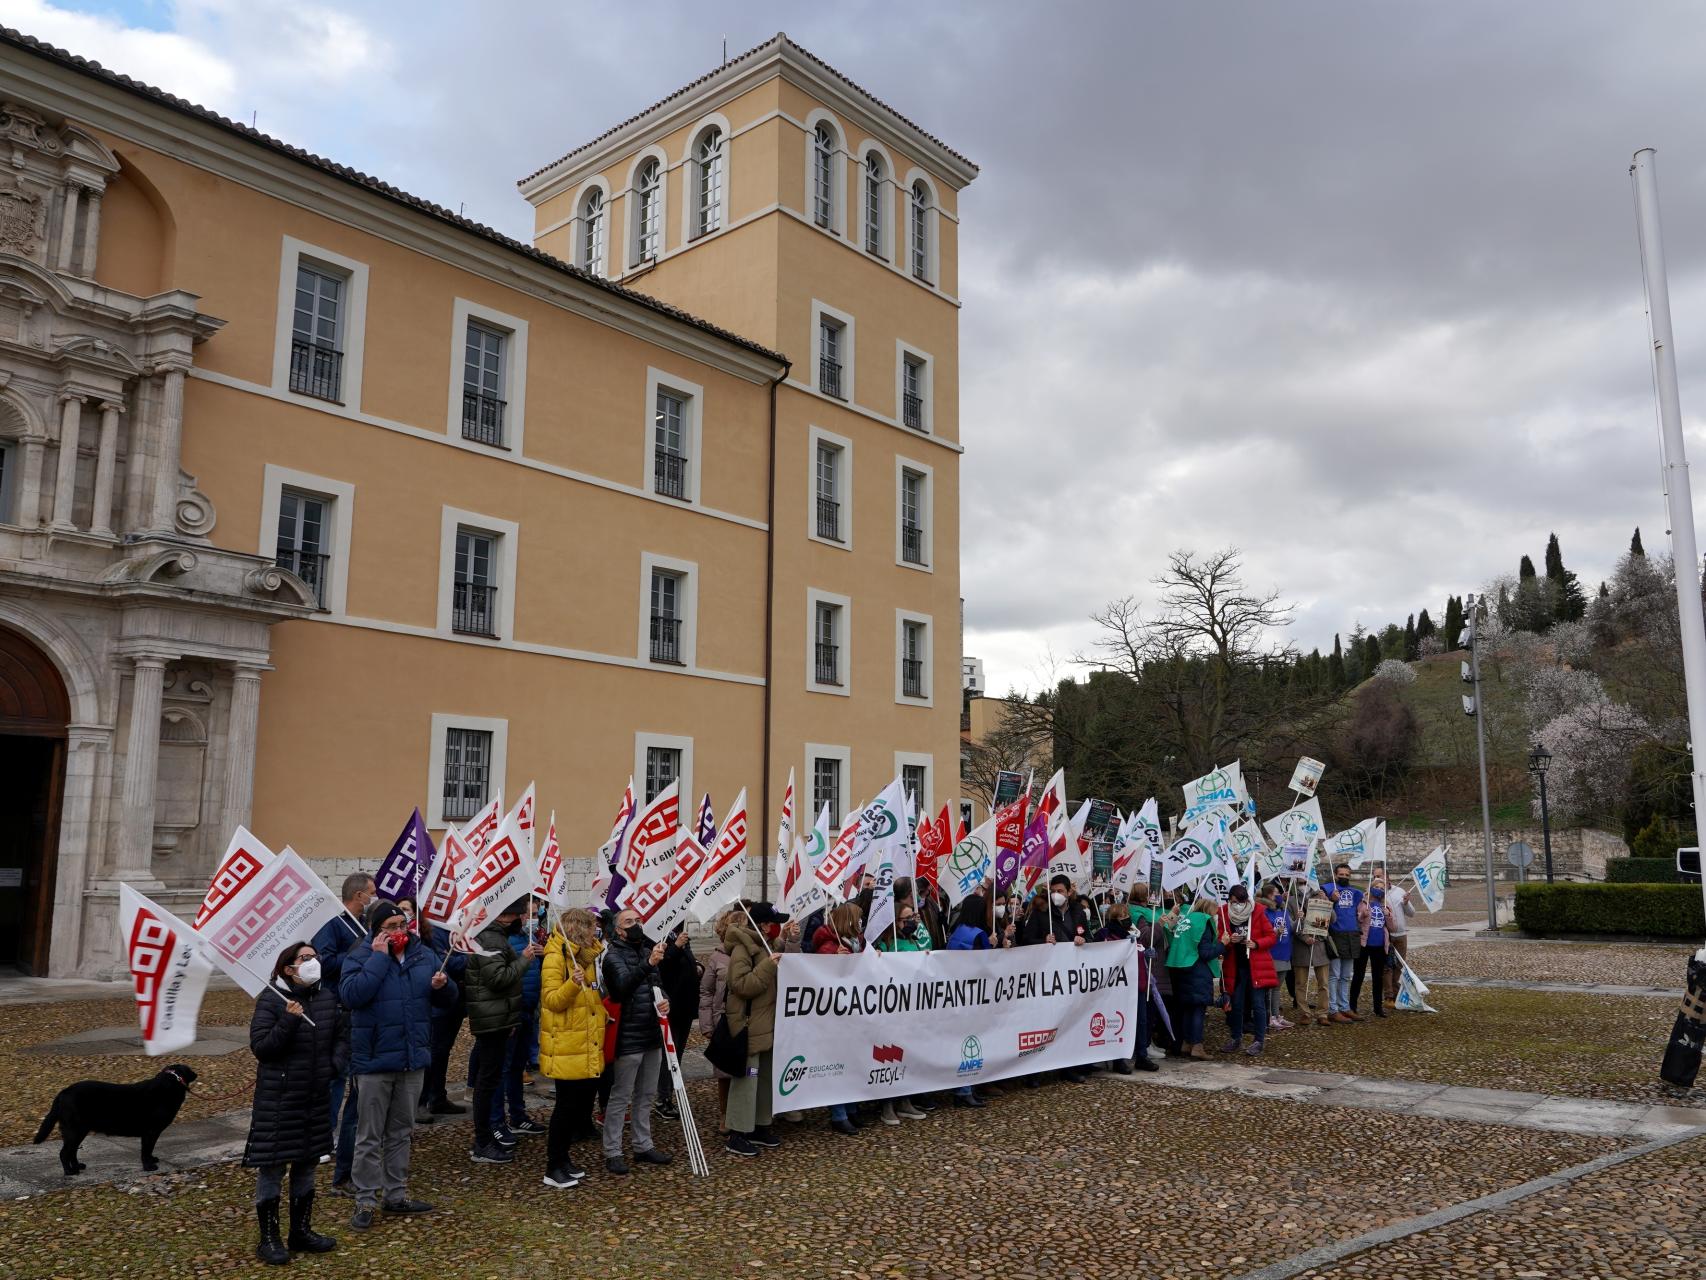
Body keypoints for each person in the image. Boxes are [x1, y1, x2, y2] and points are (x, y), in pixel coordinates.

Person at [338, 898, 456, 1230]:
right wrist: (378, 958)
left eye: (403, 925)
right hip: (374, 1059)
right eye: (391, 927)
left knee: (401, 1131)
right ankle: (365, 1198)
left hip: (411, 1057)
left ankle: (396, 1193)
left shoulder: (422, 955)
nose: (399, 931)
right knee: (369, 1134)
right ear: (375, 931)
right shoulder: (360, 956)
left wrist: (444, 987)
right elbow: (352, 996)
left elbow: (447, 1000)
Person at [243, 940, 346, 1265]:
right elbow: (262, 1048)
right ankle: (269, 1237)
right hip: (280, 1099)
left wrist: (333, 1066)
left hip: (314, 1097)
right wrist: (288, 1020)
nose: (313, 961)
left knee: (307, 1164)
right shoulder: (272, 1001)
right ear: (289, 968)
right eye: (305, 958)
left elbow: (343, 1036)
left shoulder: (327, 997)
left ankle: (301, 1230)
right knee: (273, 1167)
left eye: (315, 956)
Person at [465, 900, 542, 1164]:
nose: (525, 918)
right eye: (521, 914)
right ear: (508, 916)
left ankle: (487, 1136)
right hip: (492, 1019)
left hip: (500, 1017)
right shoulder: (491, 939)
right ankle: (483, 1140)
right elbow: (498, 979)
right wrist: (524, 960)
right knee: (488, 1082)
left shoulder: (495, 936)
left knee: (493, 1077)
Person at [600, 905, 674, 1175]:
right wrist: (648, 964)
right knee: (621, 1095)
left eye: (638, 920)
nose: (636, 925)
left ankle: (643, 1145)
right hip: (628, 1036)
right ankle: (613, 1150)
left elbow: (659, 986)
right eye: (629, 921)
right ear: (618, 929)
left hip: (652, 1033)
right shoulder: (612, 957)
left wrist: (667, 1002)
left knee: (646, 1094)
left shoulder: (646, 952)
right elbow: (621, 988)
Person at [313, 872, 373, 1196]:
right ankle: (325, 1135)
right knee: (337, 1077)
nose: (372, 897)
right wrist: (355, 953)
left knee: (348, 1078)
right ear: (357, 895)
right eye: (370, 893)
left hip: (356, 1008)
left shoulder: (365, 925)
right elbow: (322, 961)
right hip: (336, 1007)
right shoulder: (334, 924)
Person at [538, 908, 607, 1190]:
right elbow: (552, 1000)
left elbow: (591, 995)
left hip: (583, 1041)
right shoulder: (555, 957)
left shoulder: (582, 958)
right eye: (591, 928)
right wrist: (571, 984)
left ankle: (564, 1159)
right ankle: (553, 1166)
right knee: (565, 1107)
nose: (596, 933)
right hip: (566, 1043)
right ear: (579, 929)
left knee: (577, 1105)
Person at [724, 902, 786, 1156]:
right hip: (748, 1025)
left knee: (765, 1079)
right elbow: (741, 985)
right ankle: (737, 1132)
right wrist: (769, 965)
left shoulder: (763, 945)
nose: (775, 927)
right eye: (773, 923)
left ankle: (760, 1125)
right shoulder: (742, 948)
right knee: (747, 1080)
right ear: (762, 925)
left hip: (765, 1024)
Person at [411, 897, 468, 1120]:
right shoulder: (432, 930)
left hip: (454, 998)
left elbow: (456, 957)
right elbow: (447, 963)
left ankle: (438, 1096)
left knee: (444, 1051)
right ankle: (420, 1101)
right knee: (433, 1052)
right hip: (438, 1001)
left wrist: (462, 957)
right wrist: (468, 959)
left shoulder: (455, 927)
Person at [1216, 883, 1277, 1055]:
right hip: (1236, 966)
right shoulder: (1223, 913)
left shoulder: (1257, 911)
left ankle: (1259, 1041)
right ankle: (1236, 1038)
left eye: (1240, 902)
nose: (1237, 905)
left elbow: (1271, 936)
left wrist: (1256, 943)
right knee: (1236, 1004)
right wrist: (1227, 940)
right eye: (1234, 902)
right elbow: (1220, 936)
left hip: (1256, 966)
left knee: (1258, 1004)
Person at [947, 895, 992, 1104]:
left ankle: (966, 1088)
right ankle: (964, 1090)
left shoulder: (958, 930)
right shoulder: (978, 935)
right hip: (972, 994)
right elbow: (986, 963)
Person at [1166, 895, 1223, 1059]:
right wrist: (1222, 945)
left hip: (1182, 968)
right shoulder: (1204, 922)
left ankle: (1186, 1044)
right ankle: (1197, 1046)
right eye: (1214, 912)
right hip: (1198, 971)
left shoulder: (1188, 919)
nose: (1215, 916)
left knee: (1187, 1009)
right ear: (1209, 910)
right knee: (1198, 1009)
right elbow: (1206, 953)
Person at [654, 924, 700, 1120]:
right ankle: (662, 1098)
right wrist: (675, 947)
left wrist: (697, 966)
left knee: (678, 1053)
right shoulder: (659, 936)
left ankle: (672, 1092)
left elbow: (687, 961)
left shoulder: (680, 936)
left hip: (685, 1007)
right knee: (668, 1055)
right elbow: (660, 966)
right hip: (670, 1006)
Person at [698, 910, 735, 1130]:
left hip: (746, 1019)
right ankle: (725, 1114)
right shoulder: (717, 957)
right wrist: (706, 1025)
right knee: (724, 1072)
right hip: (722, 1020)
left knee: (750, 1071)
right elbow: (706, 992)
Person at [1325, 863, 1365, 1024]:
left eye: (1347, 875)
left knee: (1346, 975)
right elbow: (1318, 910)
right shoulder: (1327, 889)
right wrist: (1331, 900)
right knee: (1334, 975)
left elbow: (1359, 911)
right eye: (1341, 874)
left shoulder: (1356, 892)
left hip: (1352, 935)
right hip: (1335, 934)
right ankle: (1333, 1009)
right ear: (1335, 875)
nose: (1344, 877)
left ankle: (1345, 1006)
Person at [1351, 883, 1392, 1018]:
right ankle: (1352, 1006)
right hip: (1364, 944)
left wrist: (1388, 915)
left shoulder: (1385, 905)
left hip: (1380, 945)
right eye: (1377, 887)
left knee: (1378, 977)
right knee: (1358, 975)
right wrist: (1363, 915)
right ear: (1371, 888)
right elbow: (1356, 920)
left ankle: (1378, 1007)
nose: (1379, 890)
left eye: (1382, 888)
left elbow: (1393, 927)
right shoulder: (1363, 903)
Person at [1295, 884, 1333, 1026]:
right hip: (1301, 948)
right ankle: (1305, 1012)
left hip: (1320, 947)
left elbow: (1333, 920)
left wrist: (1327, 902)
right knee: (1300, 984)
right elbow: (1292, 923)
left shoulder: (1320, 896)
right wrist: (1304, 938)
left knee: (1323, 983)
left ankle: (1322, 1013)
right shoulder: (1292, 900)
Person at [1019, 875, 1088, 946]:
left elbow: (1088, 937)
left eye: (1060, 891)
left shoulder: (1079, 913)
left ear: (1069, 892)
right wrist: (1044, 940)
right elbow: (1026, 940)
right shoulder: (1040, 913)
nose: (1055, 895)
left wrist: (1083, 939)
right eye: (1053, 891)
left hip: (1073, 956)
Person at [1382, 872, 1416, 1004]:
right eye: (1375, 876)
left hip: (1400, 934)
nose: (1378, 879)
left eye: (1381, 876)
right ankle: (1388, 995)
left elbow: (1412, 913)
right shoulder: (1374, 894)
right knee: (1387, 966)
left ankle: (1396, 992)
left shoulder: (1399, 891)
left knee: (1399, 965)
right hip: (1385, 935)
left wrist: (1406, 903)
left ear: (1388, 877)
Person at [1264, 883, 1294, 1032]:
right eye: (1276, 893)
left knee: (1277, 989)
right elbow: (1265, 931)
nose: (1279, 895)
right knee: (1271, 988)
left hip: (1285, 953)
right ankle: (1270, 1016)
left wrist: (1299, 919)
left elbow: (1292, 927)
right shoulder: (1264, 912)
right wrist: (1275, 931)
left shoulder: (1283, 910)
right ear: (1269, 895)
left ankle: (1276, 1015)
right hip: (1273, 953)